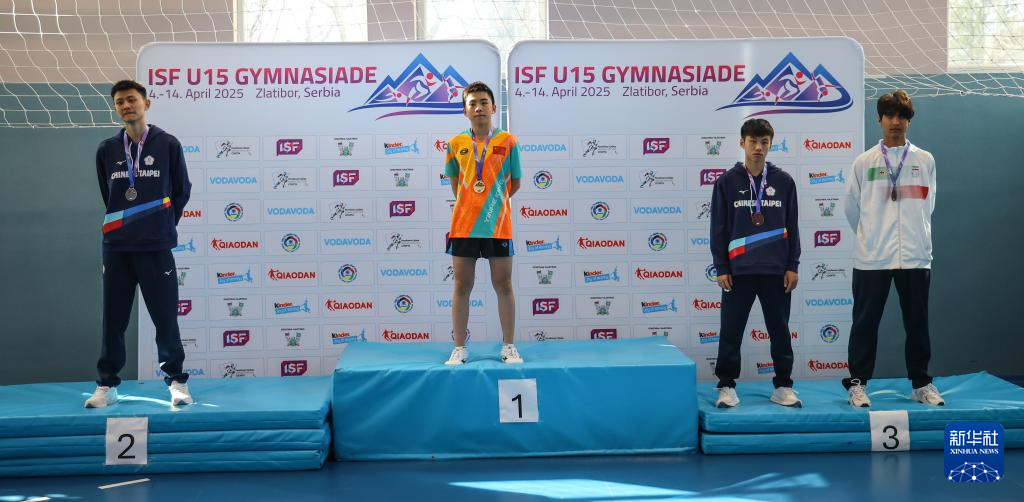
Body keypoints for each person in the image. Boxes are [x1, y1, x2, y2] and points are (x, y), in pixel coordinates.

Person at [85, 79, 193, 407]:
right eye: (119, 102)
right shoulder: (107, 149)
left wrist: (160, 225)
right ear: (115, 108)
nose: (126, 106)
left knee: (165, 318)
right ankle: (107, 386)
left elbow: (182, 190)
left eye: (131, 99)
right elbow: (109, 195)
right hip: (117, 248)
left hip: (155, 247)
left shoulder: (167, 144)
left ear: (146, 103)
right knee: (113, 320)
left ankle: (177, 382)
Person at [842, 90, 942, 408]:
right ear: (879, 119)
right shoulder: (864, 162)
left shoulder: (925, 160)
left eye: (902, 116)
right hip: (872, 258)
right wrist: (872, 236)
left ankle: (921, 383)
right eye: (890, 115)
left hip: (915, 257)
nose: (895, 122)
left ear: (909, 121)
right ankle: (858, 384)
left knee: (917, 323)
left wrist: (915, 236)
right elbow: (851, 209)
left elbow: (928, 206)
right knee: (865, 324)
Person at [710, 118, 801, 408]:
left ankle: (783, 385)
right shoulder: (726, 182)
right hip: (739, 271)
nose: (758, 148)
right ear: (742, 143)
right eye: (753, 142)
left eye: (764, 142)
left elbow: (792, 226)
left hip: (776, 270)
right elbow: (718, 229)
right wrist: (721, 267)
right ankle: (726, 385)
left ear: (771, 144)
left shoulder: (784, 182)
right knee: (731, 331)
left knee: (780, 331)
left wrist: (793, 265)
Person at [442, 81, 523, 365]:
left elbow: (514, 184)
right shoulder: (455, 144)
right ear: (465, 111)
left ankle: (509, 346)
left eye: (484, 102)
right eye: (472, 104)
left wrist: (492, 204)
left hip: (498, 226)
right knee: (462, 286)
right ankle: (460, 348)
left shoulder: (508, 142)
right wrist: (472, 204)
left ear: (494, 107)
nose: (479, 108)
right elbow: (456, 186)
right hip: (464, 226)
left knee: (504, 284)